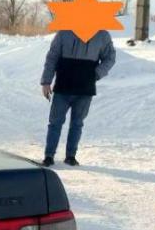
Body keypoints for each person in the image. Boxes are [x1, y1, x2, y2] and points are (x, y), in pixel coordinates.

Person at [39, 28, 116, 167]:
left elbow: (110, 58)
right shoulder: (64, 32)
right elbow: (52, 57)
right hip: (63, 87)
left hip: (85, 90)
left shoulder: (102, 35)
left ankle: (71, 156)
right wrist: (46, 81)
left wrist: (96, 74)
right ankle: (49, 156)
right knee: (55, 123)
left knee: (77, 124)